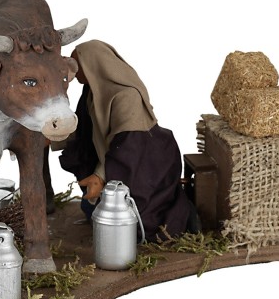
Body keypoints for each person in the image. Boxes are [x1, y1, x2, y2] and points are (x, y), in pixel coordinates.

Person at [59, 39, 197, 242]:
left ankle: (183, 214)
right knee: (91, 210)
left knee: (139, 224)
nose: (72, 70)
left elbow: (128, 148)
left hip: (144, 167)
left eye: (76, 65)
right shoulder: (92, 92)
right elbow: (82, 130)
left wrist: (99, 177)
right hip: (113, 162)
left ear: (92, 65)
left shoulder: (126, 97)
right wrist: (55, 138)